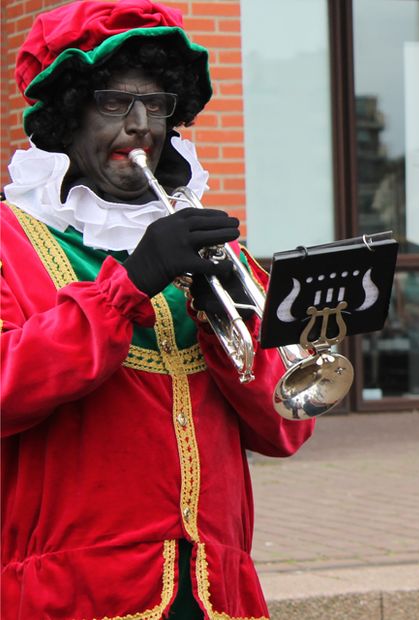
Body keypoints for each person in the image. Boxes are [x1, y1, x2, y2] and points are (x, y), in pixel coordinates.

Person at [1, 2, 313, 618]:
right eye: (115, 103)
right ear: (68, 116)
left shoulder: (208, 246)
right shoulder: (11, 239)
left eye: (158, 105)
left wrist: (233, 319)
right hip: (71, 593)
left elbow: (285, 428)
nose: (141, 124)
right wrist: (130, 284)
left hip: (212, 590)